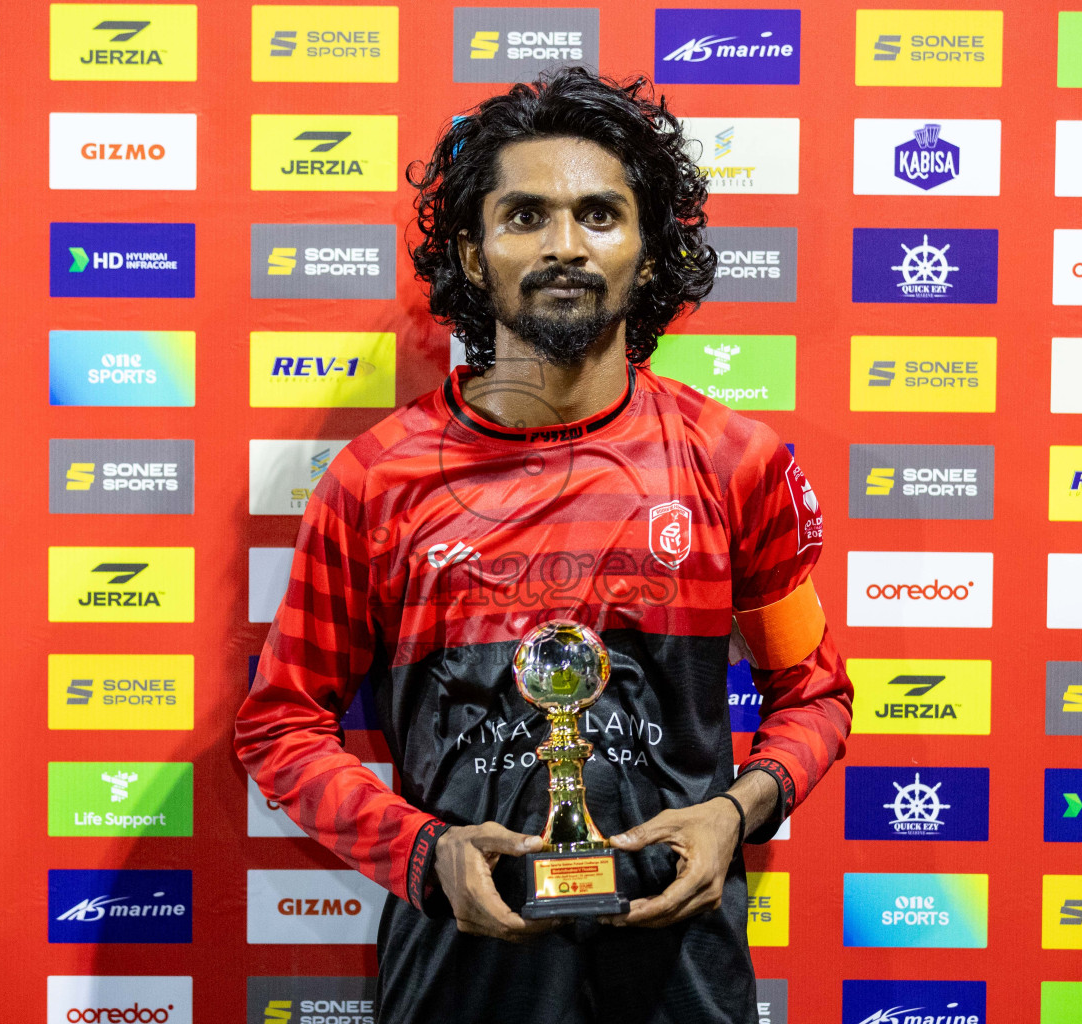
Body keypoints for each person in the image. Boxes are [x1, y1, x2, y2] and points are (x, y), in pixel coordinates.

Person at [235, 67, 852, 1024]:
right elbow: (279, 726)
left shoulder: (737, 463)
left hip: (682, 968)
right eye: (524, 215)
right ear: (473, 256)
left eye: (600, 214)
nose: (564, 245)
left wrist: (737, 813)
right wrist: (420, 852)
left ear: (648, 253)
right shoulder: (374, 481)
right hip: (459, 968)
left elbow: (813, 693)